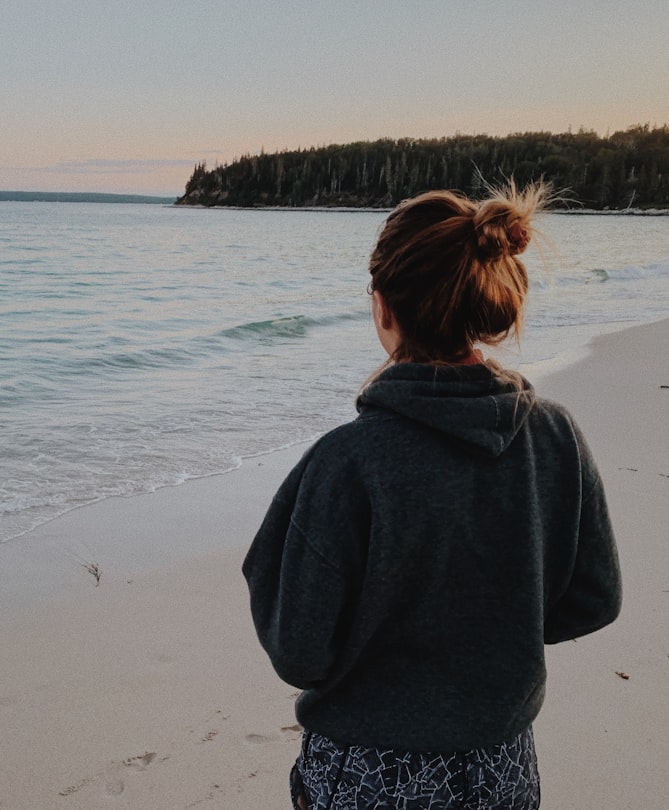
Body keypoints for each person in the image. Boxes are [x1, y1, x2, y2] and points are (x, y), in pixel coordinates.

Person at [242, 183, 622, 810]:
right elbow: (593, 600)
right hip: (502, 763)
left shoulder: (349, 460)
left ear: (384, 306)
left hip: (371, 773)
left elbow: (299, 651)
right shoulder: (553, 433)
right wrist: (495, 628)